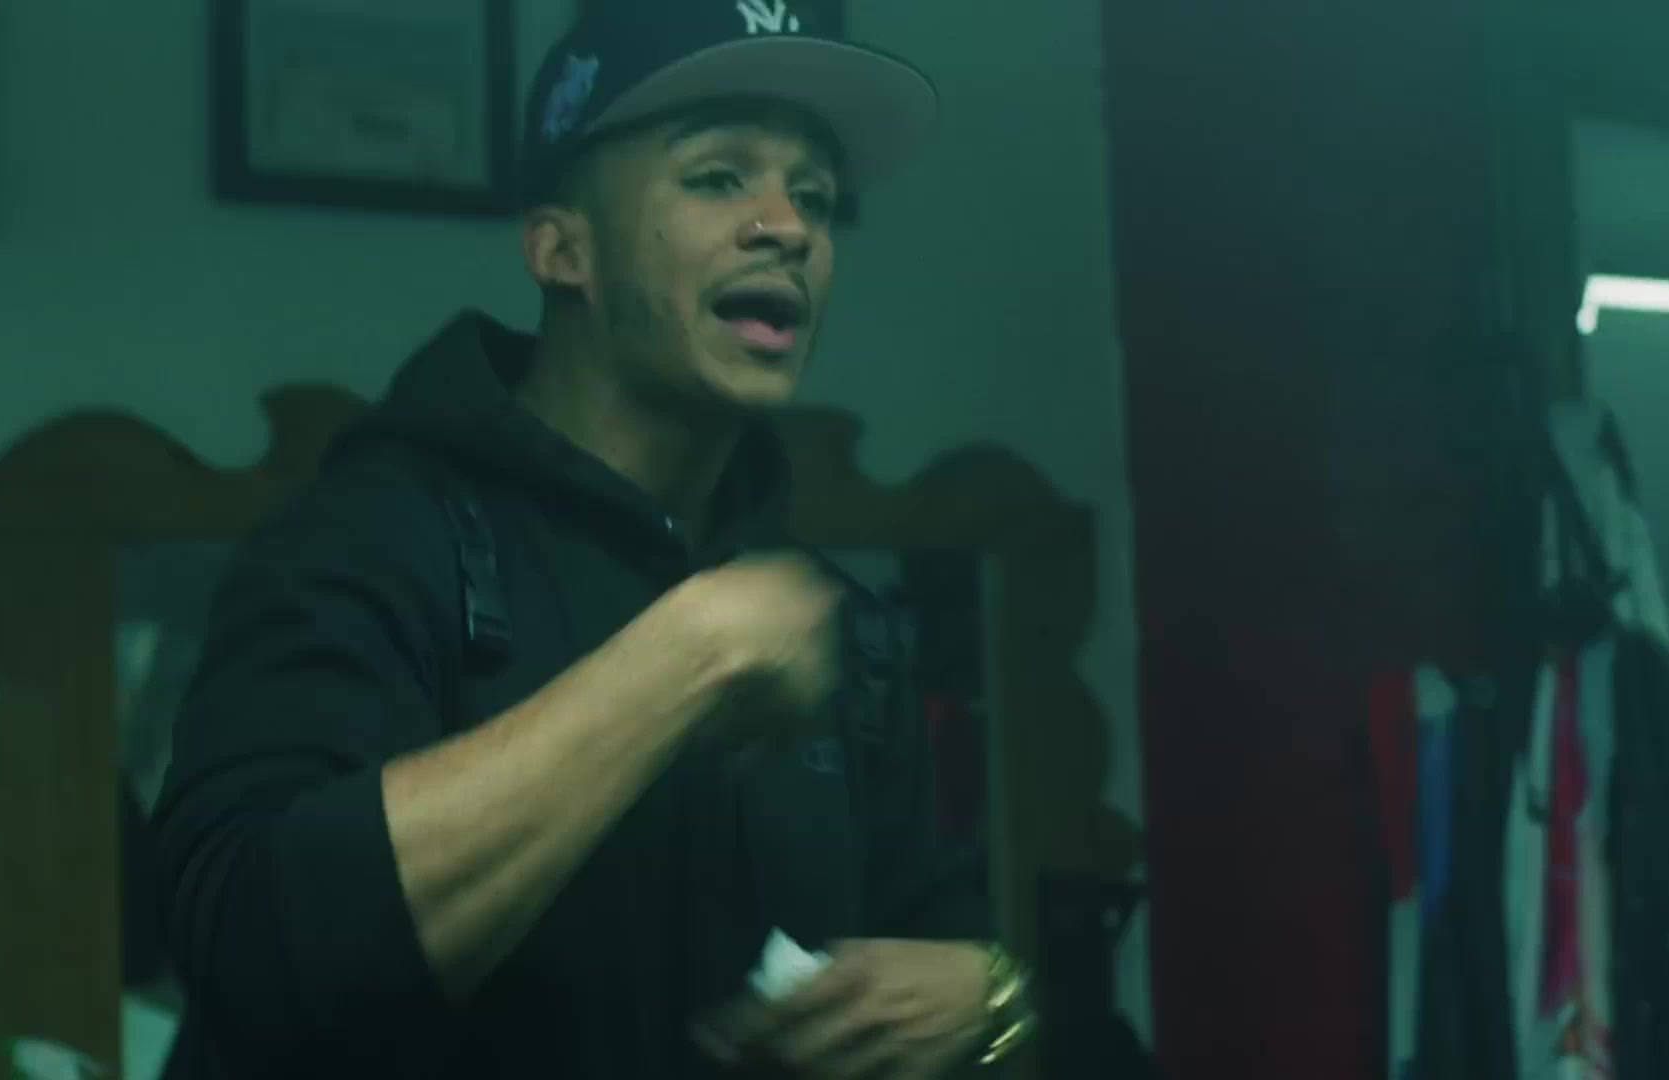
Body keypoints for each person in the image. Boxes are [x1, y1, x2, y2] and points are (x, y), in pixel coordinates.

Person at [149, 2, 1034, 1076]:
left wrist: (996, 999)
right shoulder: (361, 542)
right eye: (719, 177)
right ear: (562, 249)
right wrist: (682, 659)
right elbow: (244, 951)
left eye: (813, 195)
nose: (790, 227)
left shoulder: (835, 626)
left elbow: (959, 968)